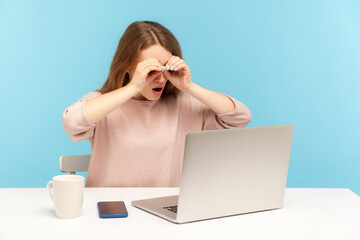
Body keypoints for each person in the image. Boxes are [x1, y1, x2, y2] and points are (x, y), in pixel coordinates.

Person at [62, 21, 252, 187]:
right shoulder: (103, 103)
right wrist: (133, 87)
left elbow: (240, 117)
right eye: (150, 70)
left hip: (164, 210)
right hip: (110, 208)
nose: (161, 79)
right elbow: (72, 124)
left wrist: (189, 86)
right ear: (127, 67)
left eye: (166, 68)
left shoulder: (184, 106)